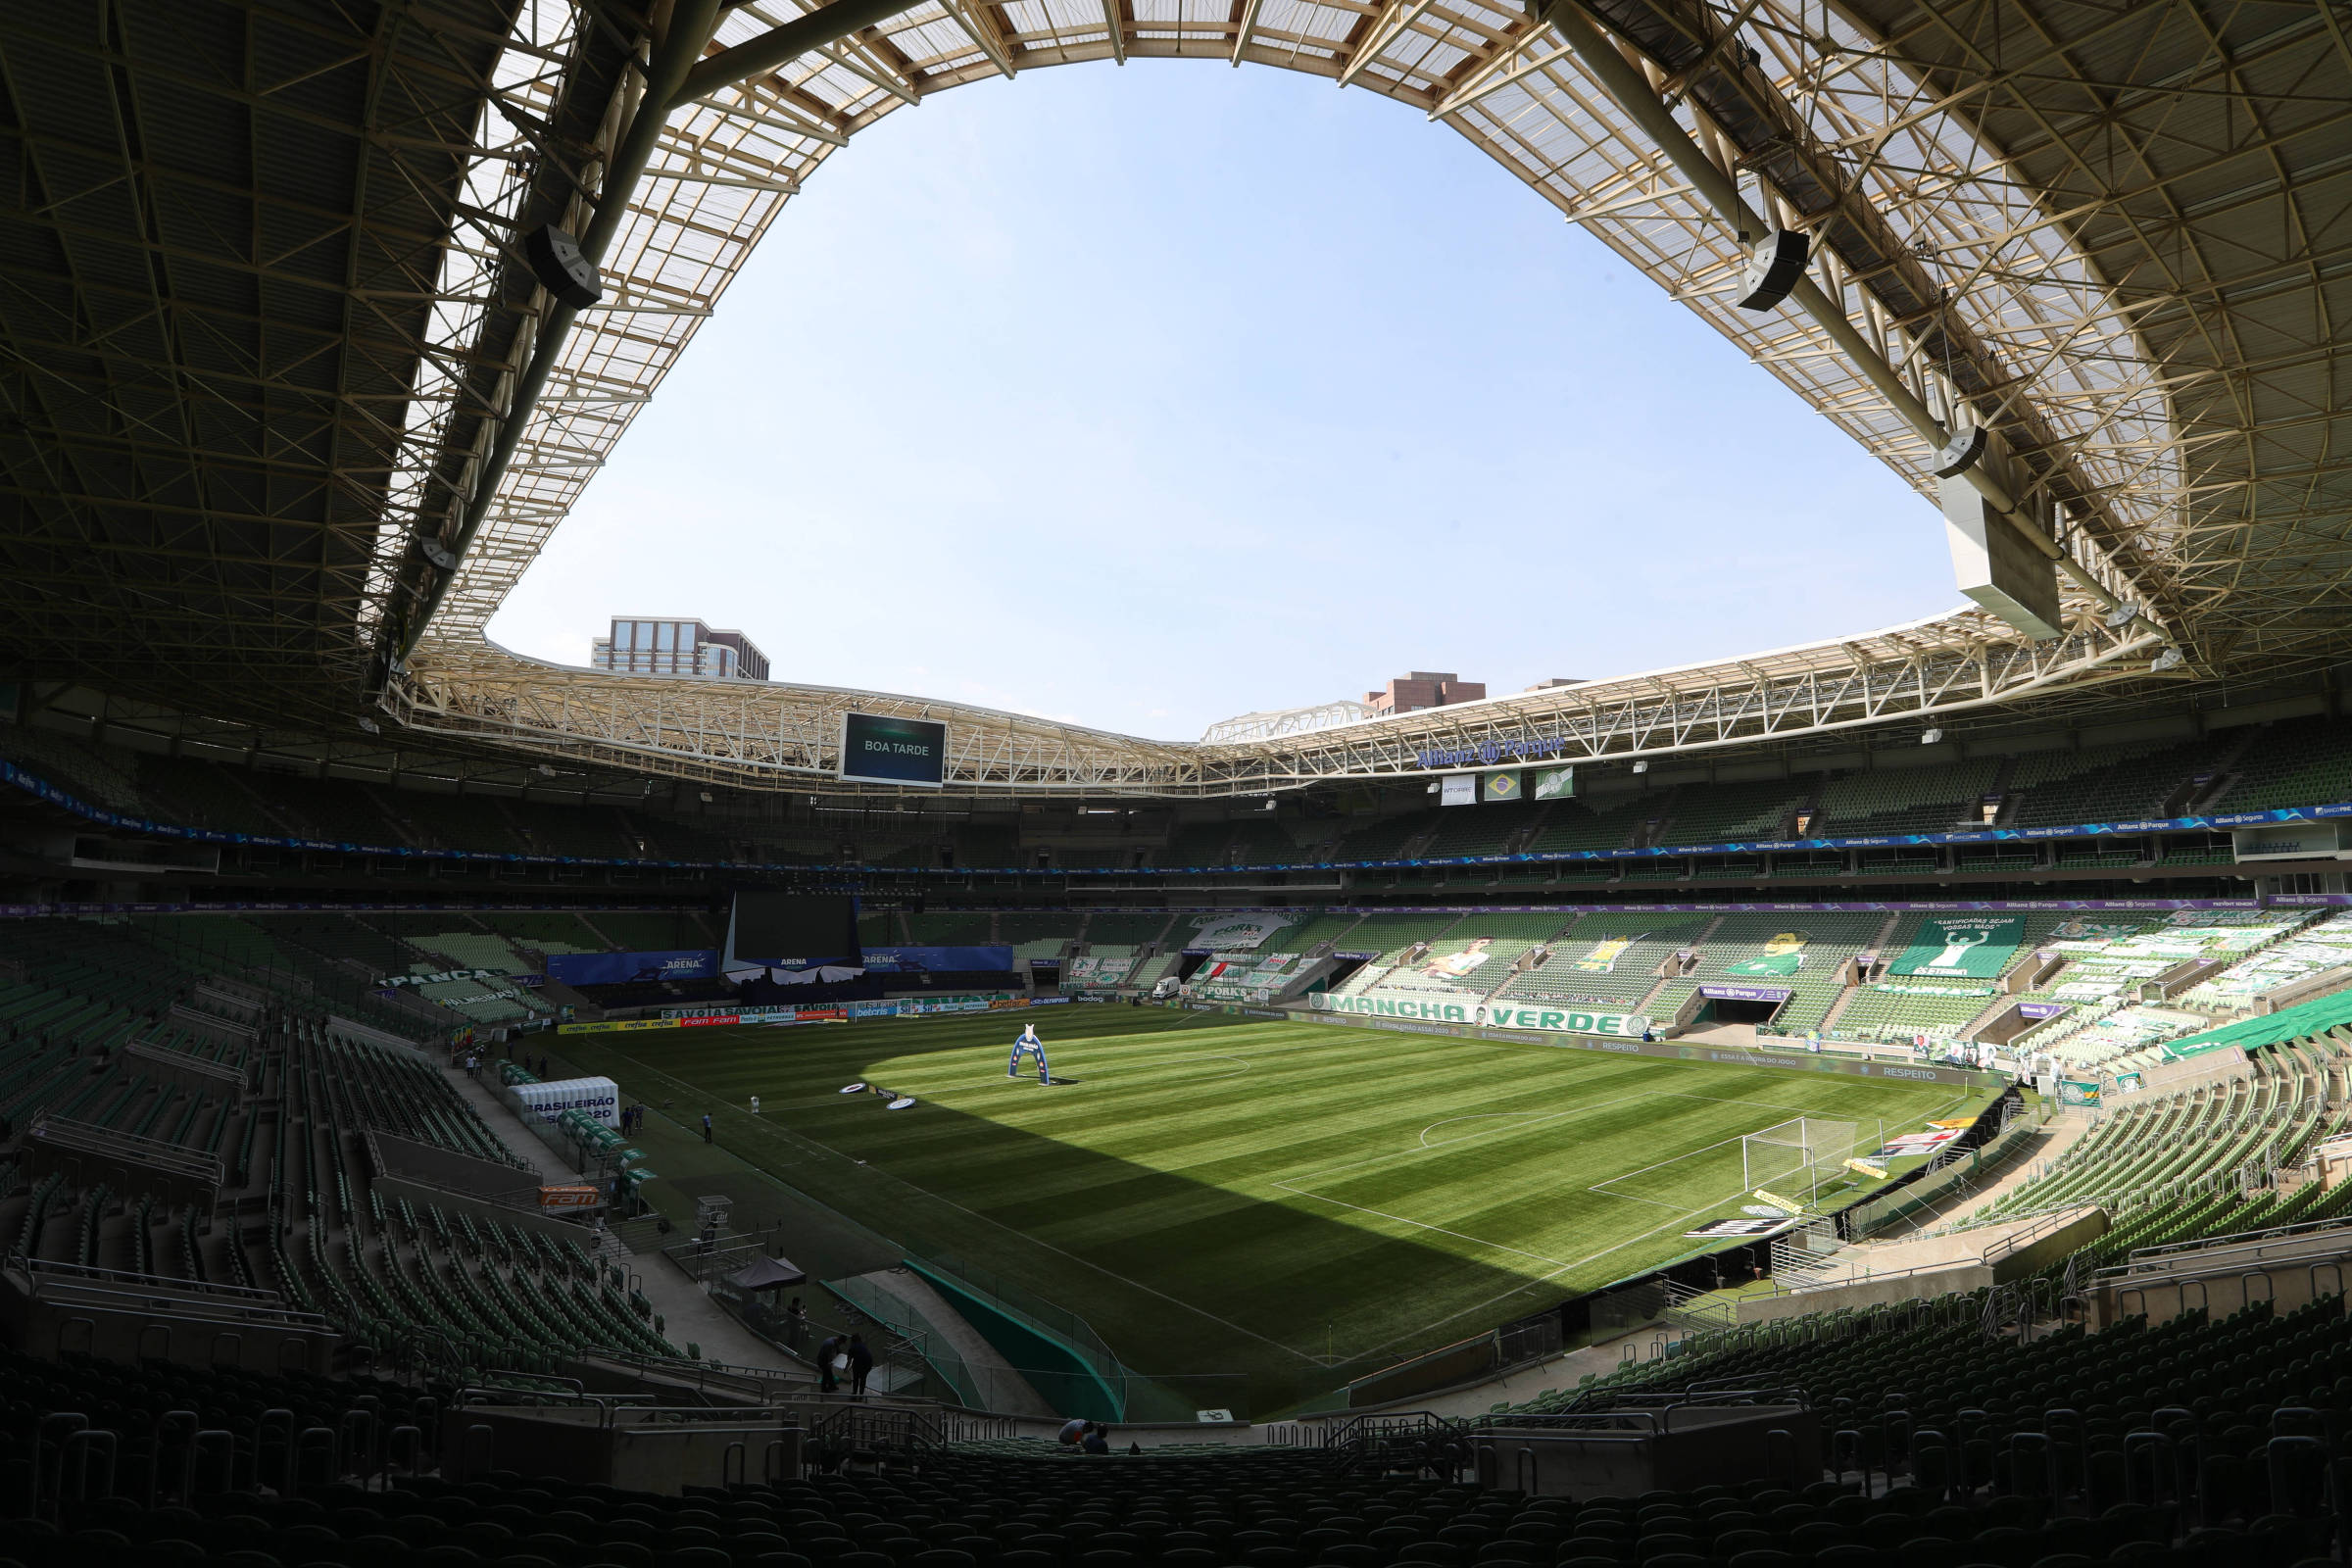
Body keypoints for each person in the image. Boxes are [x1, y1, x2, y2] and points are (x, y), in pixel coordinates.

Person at [847, 1333, 874, 1399]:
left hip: (860, 1364)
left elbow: (849, 1360)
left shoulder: (852, 1347)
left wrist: (845, 1368)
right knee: (863, 1379)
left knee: (855, 1379)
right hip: (868, 1364)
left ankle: (854, 1394)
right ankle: (861, 1395)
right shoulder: (863, 1345)